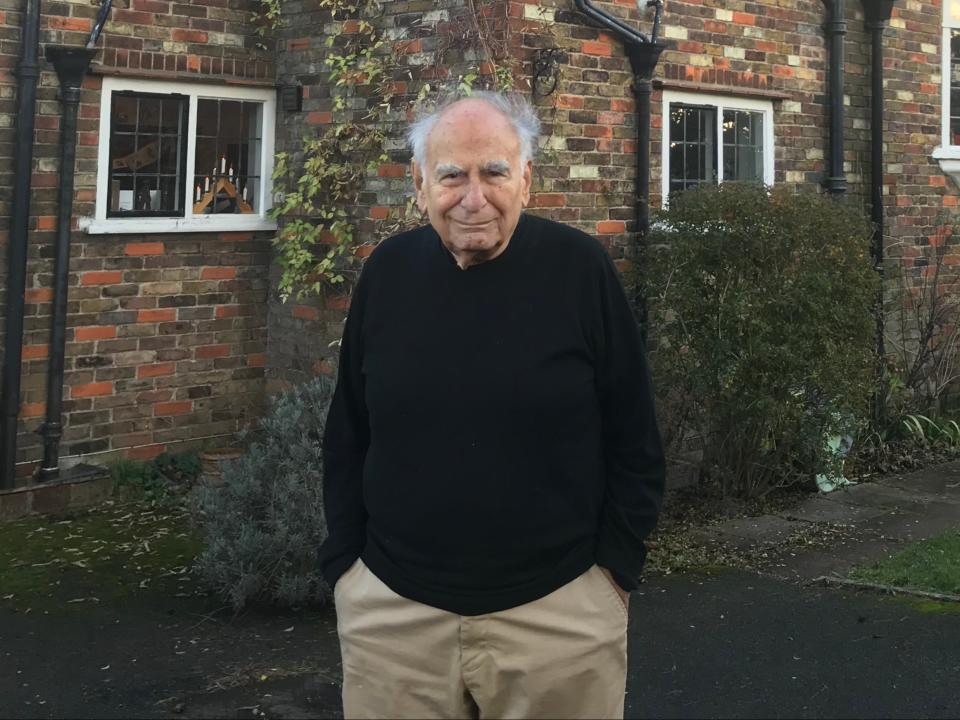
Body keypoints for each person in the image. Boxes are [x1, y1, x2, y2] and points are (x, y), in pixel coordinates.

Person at [320, 90, 665, 720]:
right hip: (394, 618)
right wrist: (347, 567)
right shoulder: (387, 274)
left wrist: (613, 572)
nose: (473, 197)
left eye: (494, 173)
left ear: (526, 180)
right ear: (420, 184)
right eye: (452, 175)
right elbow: (349, 430)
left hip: (558, 616)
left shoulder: (580, 270)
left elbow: (635, 436)